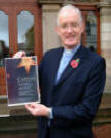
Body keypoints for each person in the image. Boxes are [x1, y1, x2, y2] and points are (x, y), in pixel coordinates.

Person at [14, 4, 106, 138]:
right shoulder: (49, 56)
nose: (69, 30)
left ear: (82, 28)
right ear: (58, 30)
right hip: (45, 133)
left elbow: (87, 110)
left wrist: (49, 112)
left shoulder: (95, 63)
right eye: (64, 26)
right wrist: (18, 65)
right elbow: (30, 83)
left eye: (74, 25)